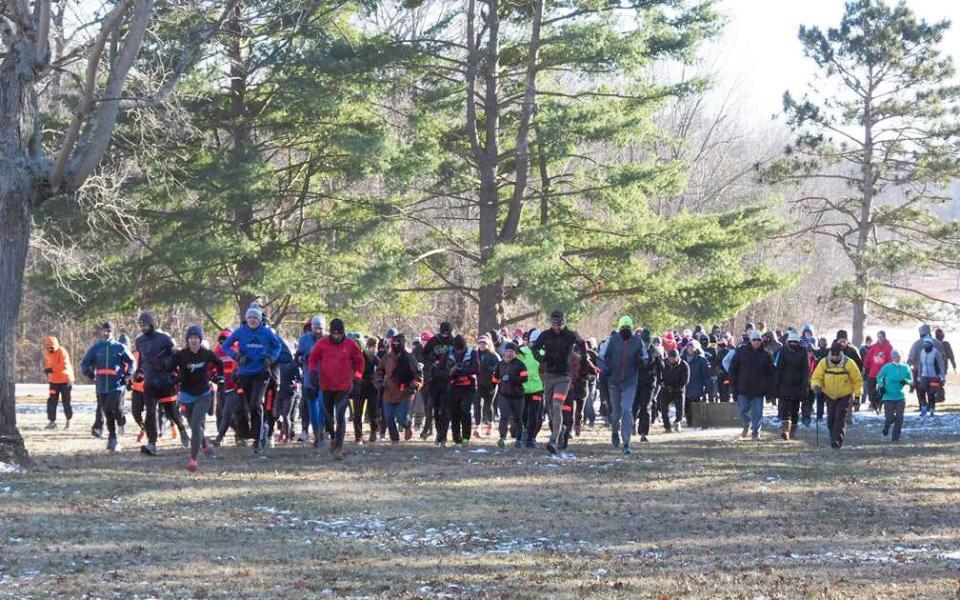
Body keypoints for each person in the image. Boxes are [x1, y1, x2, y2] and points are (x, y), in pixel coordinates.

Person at [220, 304, 282, 455]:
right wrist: (236, 356)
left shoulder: (266, 332)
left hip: (261, 373)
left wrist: (271, 358)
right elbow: (225, 345)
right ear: (246, 319)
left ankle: (259, 439)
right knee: (243, 407)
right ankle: (243, 435)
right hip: (244, 373)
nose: (252, 320)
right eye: (250, 318)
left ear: (260, 320)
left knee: (256, 404)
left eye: (255, 318)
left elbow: (278, 345)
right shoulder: (240, 332)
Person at [170, 325, 224, 472]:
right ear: (187, 340)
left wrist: (219, 377)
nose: (194, 340)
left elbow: (220, 364)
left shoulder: (206, 354)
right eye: (191, 338)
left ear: (200, 339)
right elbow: (169, 368)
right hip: (186, 395)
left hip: (203, 394)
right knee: (194, 425)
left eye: (196, 338)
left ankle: (193, 459)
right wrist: (174, 378)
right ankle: (204, 444)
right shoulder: (181, 355)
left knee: (195, 425)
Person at [308, 318, 363, 459]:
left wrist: (357, 378)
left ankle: (339, 444)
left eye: (339, 334)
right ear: (330, 332)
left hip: (343, 386)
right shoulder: (322, 343)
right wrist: (313, 372)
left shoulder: (350, 344)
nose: (336, 336)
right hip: (326, 385)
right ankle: (332, 435)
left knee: (340, 415)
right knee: (328, 415)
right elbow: (313, 359)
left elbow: (359, 361)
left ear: (343, 333)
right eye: (334, 334)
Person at [530, 310, 581, 455]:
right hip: (548, 376)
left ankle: (553, 439)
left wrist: (577, 360)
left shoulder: (570, 335)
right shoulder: (545, 335)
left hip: (564, 377)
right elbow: (534, 348)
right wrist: (542, 360)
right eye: (555, 324)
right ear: (551, 323)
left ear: (564, 322)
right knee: (551, 411)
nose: (557, 327)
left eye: (560, 324)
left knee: (558, 405)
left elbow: (583, 347)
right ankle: (561, 429)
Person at [80, 321, 135, 452]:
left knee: (112, 406)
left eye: (108, 331)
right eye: (104, 331)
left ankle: (121, 421)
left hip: (116, 384)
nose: (105, 333)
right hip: (101, 385)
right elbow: (85, 362)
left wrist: (129, 374)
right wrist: (86, 371)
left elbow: (132, 361)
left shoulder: (119, 347)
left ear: (112, 332)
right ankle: (112, 438)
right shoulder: (96, 347)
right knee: (107, 411)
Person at [601, 316, 648, 455]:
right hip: (614, 383)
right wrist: (605, 369)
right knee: (616, 414)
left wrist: (642, 362)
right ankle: (614, 432)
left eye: (627, 327)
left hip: (630, 382)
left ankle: (626, 442)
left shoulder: (637, 342)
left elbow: (645, 357)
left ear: (631, 328)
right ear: (619, 328)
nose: (625, 330)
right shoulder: (612, 340)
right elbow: (601, 357)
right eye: (623, 327)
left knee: (627, 410)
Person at [134, 313, 178, 456]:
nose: (142, 328)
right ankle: (152, 443)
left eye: (144, 325)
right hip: (150, 382)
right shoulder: (139, 341)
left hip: (165, 381)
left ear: (151, 324)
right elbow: (142, 359)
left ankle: (183, 431)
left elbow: (175, 354)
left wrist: (166, 364)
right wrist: (139, 372)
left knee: (172, 412)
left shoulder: (164, 338)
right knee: (150, 412)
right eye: (140, 326)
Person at [811, 342, 863, 449]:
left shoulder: (849, 363)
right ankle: (832, 437)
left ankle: (837, 441)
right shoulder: (824, 362)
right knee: (831, 419)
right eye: (833, 354)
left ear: (841, 353)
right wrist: (816, 386)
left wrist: (857, 396)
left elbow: (857, 380)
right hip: (829, 394)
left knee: (840, 417)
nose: (834, 357)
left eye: (837, 354)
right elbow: (816, 377)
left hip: (844, 395)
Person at [375, 333, 422, 443]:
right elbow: (379, 371)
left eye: (398, 344)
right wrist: (379, 382)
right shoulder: (386, 357)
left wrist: (413, 387)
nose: (396, 346)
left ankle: (407, 426)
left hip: (404, 394)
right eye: (394, 344)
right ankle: (394, 439)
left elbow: (418, 376)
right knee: (389, 417)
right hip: (388, 393)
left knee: (401, 418)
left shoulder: (410, 358)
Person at [729, 331, 774, 441]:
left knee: (758, 412)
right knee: (743, 409)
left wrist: (769, 391)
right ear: (750, 341)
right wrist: (733, 386)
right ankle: (746, 424)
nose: (756, 342)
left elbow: (771, 374)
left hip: (759, 389)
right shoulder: (741, 352)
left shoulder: (766, 354)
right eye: (754, 340)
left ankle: (756, 433)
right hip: (743, 388)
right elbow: (733, 369)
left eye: (758, 340)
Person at [421, 322, 454, 440]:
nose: (445, 335)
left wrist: (451, 364)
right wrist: (431, 361)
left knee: (445, 409)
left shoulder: (454, 342)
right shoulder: (433, 341)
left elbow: (461, 355)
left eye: (447, 332)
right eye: (443, 332)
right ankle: (439, 432)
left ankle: (442, 435)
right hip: (434, 380)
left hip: (448, 380)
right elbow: (424, 355)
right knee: (435, 408)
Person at [773, 332, 810, 440]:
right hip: (784, 385)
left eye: (795, 342)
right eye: (791, 342)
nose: (793, 343)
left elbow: (806, 369)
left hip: (798, 386)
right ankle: (785, 431)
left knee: (795, 409)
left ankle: (792, 432)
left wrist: (805, 384)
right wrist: (776, 385)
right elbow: (778, 369)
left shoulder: (803, 352)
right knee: (784, 409)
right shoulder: (783, 351)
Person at [295, 316, 325, 445]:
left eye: (320, 328)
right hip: (309, 377)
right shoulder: (304, 339)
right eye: (315, 328)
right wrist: (306, 357)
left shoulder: (327, 340)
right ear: (311, 328)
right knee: (312, 407)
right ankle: (317, 432)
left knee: (323, 405)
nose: (318, 331)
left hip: (325, 378)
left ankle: (322, 430)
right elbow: (297, 357)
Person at [492, 342, 528, 448]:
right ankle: (502, 438)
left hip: (518, 396)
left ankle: (518, 440)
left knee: (517, 418)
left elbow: (525, 378)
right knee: (504, 417)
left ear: (515, 353)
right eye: (507, 351)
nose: (509, 353)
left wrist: (511, 378)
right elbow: (495, 378)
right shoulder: (500, 364)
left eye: (512, 352)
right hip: (504, 395)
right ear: (504, 352)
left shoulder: (520, 364)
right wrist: (492, 387)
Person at [877, 350, 912, 442]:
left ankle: (895, 438)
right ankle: (886, 427)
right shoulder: (887, 367)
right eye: (895, 357)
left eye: (898, 357)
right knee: (890, 418)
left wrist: (906, 381)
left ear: (901, 357)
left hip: (900, 396)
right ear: (892, 358)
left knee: (899, 417)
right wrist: (881, 386)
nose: (897, 358)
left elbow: (911, 380)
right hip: (888, 396)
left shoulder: (905, 367)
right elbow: (879, 377)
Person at [518, 329, 544, 448]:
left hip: (537, 389)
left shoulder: (544, 353)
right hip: (522, 388)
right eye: (532, 342)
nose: (533, 344)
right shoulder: (522, 352)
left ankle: (531, 438)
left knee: (535, 414)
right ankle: (524, 432)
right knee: (523, 413)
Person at [353, 336, 381, 444]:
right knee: (369, 412)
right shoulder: (371, 357)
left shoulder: (372, 358)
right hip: (366, 386)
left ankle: (361, 436)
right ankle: (366, 434)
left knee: (359, 412)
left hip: (365, 386)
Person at [43, 336, 74, 430]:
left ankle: (69, 420)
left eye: (51, 347)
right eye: (47, 347)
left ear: (55, 345)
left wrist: (51, 369)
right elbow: (49, 365)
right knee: (51, 401)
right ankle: (52, 422)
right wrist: (47, 371)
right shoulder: (47, 353)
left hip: (66, 380)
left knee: (66, 401)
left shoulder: (62, 351)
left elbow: (63, 365)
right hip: (53, 382)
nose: (49, 349)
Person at [474, 334, 501, 437]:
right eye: (480, 343)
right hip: (478, 383)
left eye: (484, 343)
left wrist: (491, 371)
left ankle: (490, 424)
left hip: (491, 385)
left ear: (489, 344)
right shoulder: (475, 354)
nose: (482, 345)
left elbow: (499, 369)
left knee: (487, 406)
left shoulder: (494, 356)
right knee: (477, 405)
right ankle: (478, 427)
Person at [659, 350, 689, 432]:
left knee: (680, 408)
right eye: (670, 358)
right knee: (664, 409)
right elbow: (659, 375)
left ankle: (677, 421)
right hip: (666, 388)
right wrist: (662, 384)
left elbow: (685, 381)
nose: (672, 360)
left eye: (674, 358)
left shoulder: (684, 365)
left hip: (678, 389)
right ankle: (667, 426)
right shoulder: (663, 363)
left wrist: (676, 388)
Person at [915, 336, 945, 417]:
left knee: (931, 394)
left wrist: (942, 376)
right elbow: (920, 365)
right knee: (921, 391)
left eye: (927, 344)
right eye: (924, 344)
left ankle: (931, 410)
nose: (925, 345)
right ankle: (924, 407)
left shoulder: (936, 353)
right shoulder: (922, 352)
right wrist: (919, 375)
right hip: (924, 376)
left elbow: (941, 365)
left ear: (931, 345)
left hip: (934, 376)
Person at [682, 340, 710, 428]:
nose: (690, 349)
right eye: (689, 347)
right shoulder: (682, 359)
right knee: (686, 406)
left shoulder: (701, 359)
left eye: (692, 347)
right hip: (685, 386)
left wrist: (707, 386)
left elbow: (705, 374)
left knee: (696, 405)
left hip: (697, 386)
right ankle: (689, 422)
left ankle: (696, 422)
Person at [863, 331, 893, 412]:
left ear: (884, 337)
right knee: (870, 388)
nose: (880, 338)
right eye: (879, 336)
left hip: (884, 373)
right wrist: (866, 366)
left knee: (882, 390)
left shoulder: (889, 347)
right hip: (873, 372)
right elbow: (868, 357)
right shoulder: (874, 346)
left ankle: (879, 404)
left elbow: (891, 359)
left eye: (882, 336)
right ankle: (873, 403)